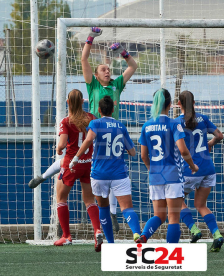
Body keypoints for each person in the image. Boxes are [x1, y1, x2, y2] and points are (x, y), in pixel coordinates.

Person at [29, 27, 138, 231]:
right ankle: (44, 177)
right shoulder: (93, 86)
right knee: (73, 159)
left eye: (108, 68)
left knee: (114, 171)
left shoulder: (117, 84)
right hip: (94, 132)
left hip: (112, 134)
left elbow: (132, 66)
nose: (107, 71)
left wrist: (123, 52)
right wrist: (90, 38)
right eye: (103, 69)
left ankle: (112, 213)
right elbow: (84, 60)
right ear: (96, 76)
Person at [70, 96, 141, 243]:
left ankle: (110, 242)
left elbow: (89, 139)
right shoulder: (121, 126)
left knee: (103, 208)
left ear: (99, 110)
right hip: (119, 174)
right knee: (127, 208)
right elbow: (133, 152)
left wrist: (76, 158)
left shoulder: (95, 123)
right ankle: (136, 233)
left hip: (99, 174)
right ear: (113, 110)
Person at [135, 89, 199, 244]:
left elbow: (143, 155)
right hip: (173, 176)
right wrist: (193, 165)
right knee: (173, 218)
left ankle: (144, 235)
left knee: (159, 215)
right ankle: (171, 252)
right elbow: (183, 150)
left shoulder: (147, 126)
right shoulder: (174, 124)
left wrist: (151, 169)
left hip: (155, 176)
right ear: (170, 104)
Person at [53, 89, 103, 251]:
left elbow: (61, 144)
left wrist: (60, 149)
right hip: (88, 163)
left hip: (71, 165)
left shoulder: (66, 121)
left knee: (61, 198)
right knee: (90, 200)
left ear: (68, 102)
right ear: (83, 101)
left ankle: (66, 236)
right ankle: (97, 231)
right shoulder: (92, 118)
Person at [176, 90, 224, 252]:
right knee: (200, 204)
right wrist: (210, 144)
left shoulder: (177, 122)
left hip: (190, 169)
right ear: (194, 103)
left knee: (176, 201)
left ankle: (194, 230)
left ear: (179, 104)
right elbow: (219, 135)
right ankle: (217, 235)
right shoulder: (203, 118)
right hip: (208, 169)